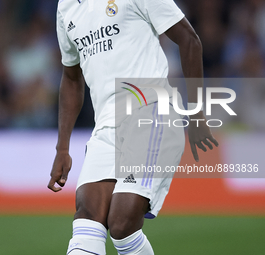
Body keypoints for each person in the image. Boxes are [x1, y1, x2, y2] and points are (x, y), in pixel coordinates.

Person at [48, 0, 219, 254]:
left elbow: (189, 39)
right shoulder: (66, 7)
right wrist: (62, 147)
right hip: (106, 126)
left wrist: (195, 114)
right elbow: (72, 78)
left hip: (152, 113)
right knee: (86, 219)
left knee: (121, 223)